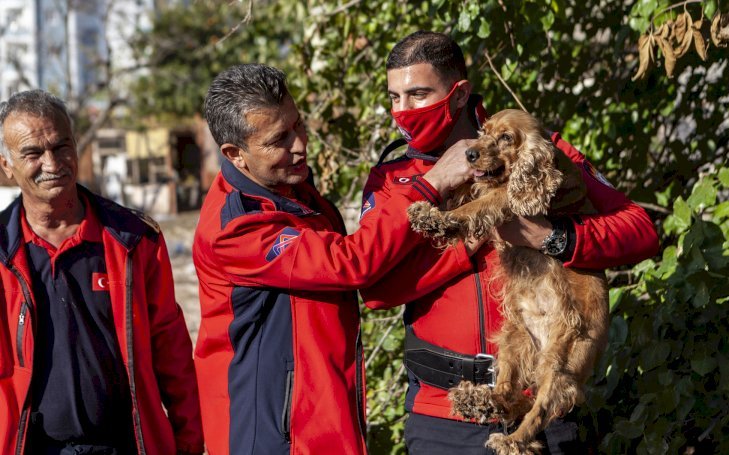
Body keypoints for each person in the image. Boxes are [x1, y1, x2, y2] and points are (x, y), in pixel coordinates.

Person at [359, 31, 660, 454]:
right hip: (442, 416)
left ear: (459, 94)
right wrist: (470, 232)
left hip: (545, 408)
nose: (402, 112)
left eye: (418, 94)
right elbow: (375, 289)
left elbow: (641, 230)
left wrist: (553, 237)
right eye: (394, 97)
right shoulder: (392, 179)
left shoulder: (536, 148)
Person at [192, 63, 476, 454]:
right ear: (235, 154)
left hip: (326, 424)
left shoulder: (294, 193)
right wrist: (432, 184)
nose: (299, 144)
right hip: (271, 437)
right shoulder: (236, 226)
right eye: (279, 139)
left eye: (298, 125)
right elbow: (351, 263)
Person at [0, 89, 204, 454]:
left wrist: (188, 442)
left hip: (125, 445)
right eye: (33, 152)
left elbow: (171, 350)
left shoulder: (133, 240)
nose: (52, 162)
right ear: (6, 166)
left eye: (61, 146)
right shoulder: (3, 252)